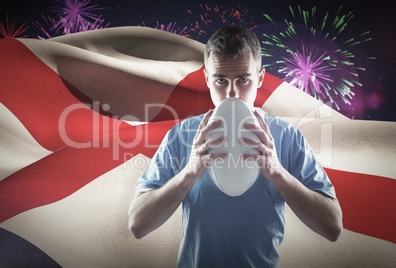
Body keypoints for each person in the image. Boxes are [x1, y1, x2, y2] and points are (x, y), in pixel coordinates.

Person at [128, 25, 343, 267]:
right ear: (207, 79)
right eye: (221, 80)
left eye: (243, 79)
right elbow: (137, 223)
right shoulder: (183, 136)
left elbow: (333, 227)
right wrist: (188, 174)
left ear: (260, 78)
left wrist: (278, 174)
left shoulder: (286, 136)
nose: (232, 93)